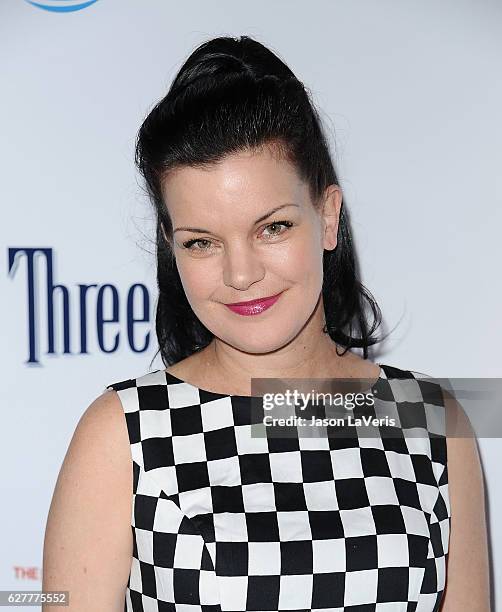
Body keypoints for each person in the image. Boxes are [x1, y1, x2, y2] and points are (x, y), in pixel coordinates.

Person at [42, 35, 490, 611]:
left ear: (327, 217)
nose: (241, 274)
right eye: (202, 242)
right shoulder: (126, 432)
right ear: (170, 248)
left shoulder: (431, 422)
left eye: (272, 227)